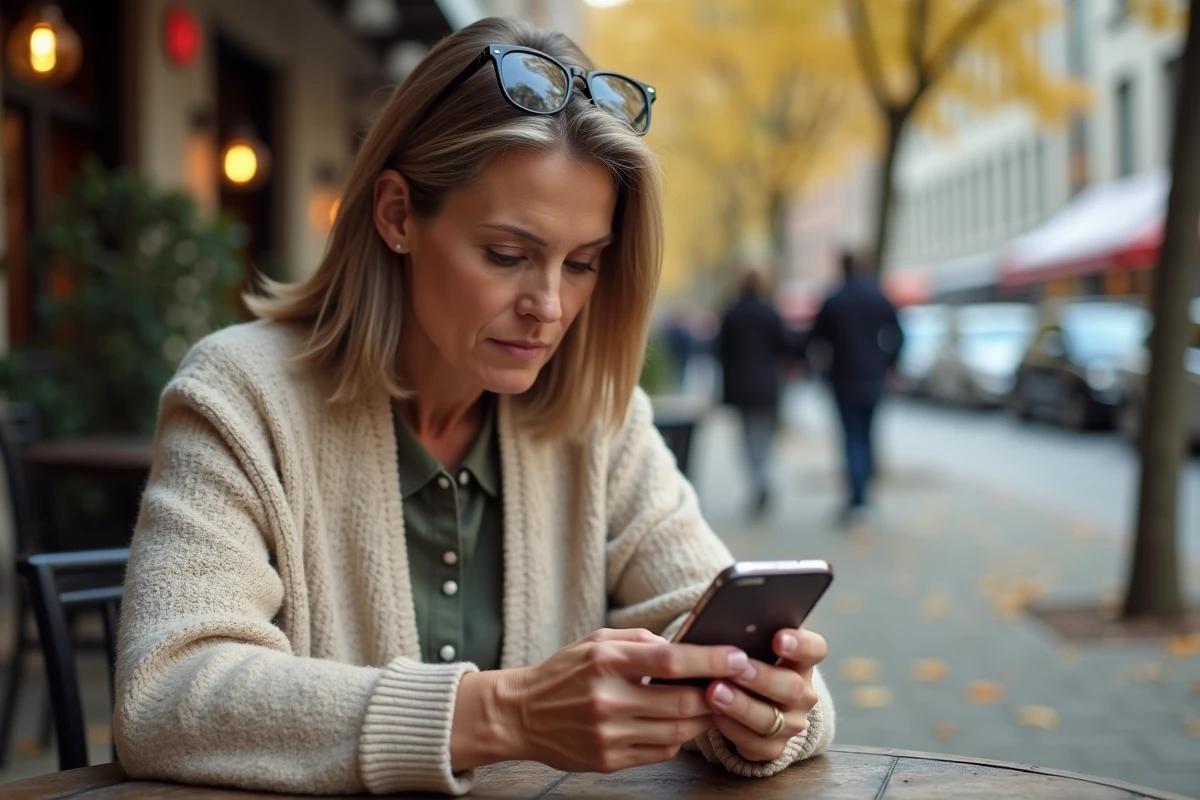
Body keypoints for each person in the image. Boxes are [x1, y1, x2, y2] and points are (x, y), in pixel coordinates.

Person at [113, 18, 834, 797]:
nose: (550, 307)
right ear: (396, 214)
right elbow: (167, 692)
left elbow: (768, 667)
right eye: (507, 255)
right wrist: (506, 714)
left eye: (583, 263)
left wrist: (768, 712)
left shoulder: (599, 420)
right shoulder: (240, 393)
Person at [805, 251, 903, 524]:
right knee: (868, 436)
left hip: (843, 380)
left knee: (851, 438)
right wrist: (889, 364)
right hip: (873, 378)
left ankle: (857, 499)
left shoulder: (834, 300)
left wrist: (821, 368)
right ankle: (864, 496)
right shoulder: (877, 297)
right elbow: (898, 334)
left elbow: (815, 340)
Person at [715, 266, 789, 516]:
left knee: (747, 438)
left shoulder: (732, 313)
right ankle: (762, 477)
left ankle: (757, 480)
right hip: (767, 385)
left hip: (740, 385)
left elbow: (720, 351)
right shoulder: (770, 313)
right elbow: (784, 347)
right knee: (765, 436)